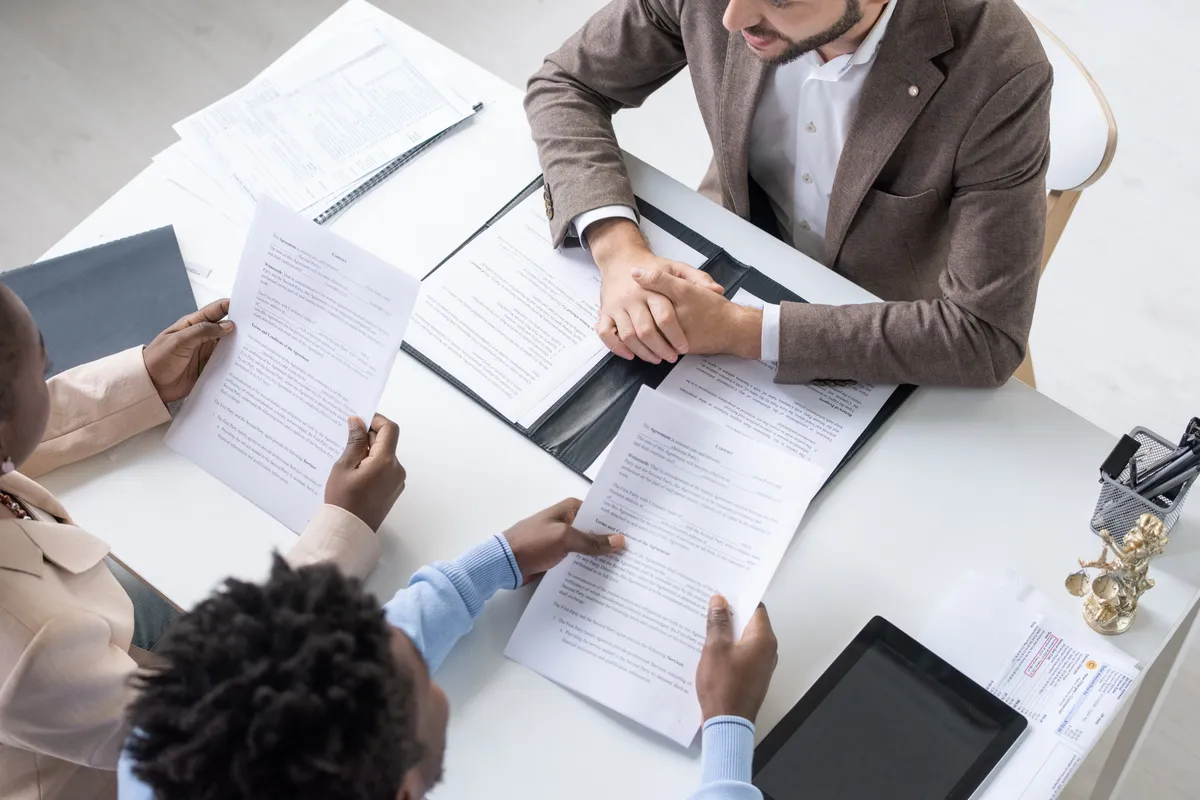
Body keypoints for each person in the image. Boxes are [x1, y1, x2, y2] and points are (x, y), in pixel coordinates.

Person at [0, 284, 406, 800]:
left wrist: (143, 378)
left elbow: (31, 418)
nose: (49, 375)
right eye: (43, 366)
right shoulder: (29, 640)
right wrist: (344, 528)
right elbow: (205, 727)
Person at [526, 0, 1052, 388]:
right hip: (724, 254)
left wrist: (740, 331)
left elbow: (985, 334)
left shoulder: (1000, 69)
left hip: (879, 327)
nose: (730, 19)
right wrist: (619, 251)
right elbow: (567, 84)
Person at [117, 499, 781, 799]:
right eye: (420, 687)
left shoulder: (154, 763)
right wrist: (728, 730)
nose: (430, 677)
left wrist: (487, 567)